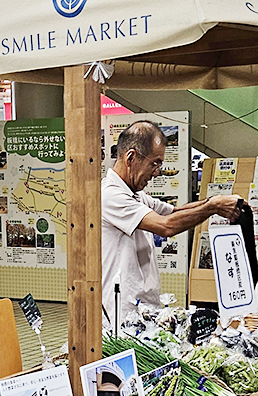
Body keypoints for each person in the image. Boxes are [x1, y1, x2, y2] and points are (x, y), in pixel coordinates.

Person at [102, 121, 243, 328]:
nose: (157, 173)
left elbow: (174, 212)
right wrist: (212, 207)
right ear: (131, 157)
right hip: (121, 312)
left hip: (143, 307)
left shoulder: (136, 195)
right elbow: (166, 226)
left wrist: (214, 201)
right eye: (154, 163)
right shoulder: (110, 195)